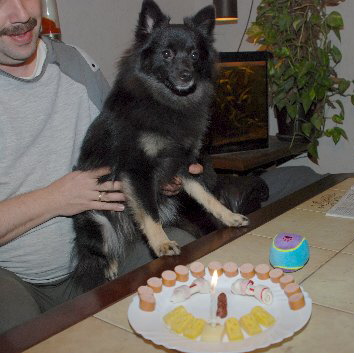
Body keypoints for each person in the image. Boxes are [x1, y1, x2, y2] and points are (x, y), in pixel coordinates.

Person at [0, 0, 200, 334]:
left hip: (110, 250)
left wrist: (162, 175)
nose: (21, 15)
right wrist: (56, 198)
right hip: (13, 277)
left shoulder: (77, 64)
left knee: (186, 265)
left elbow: (125, 150)